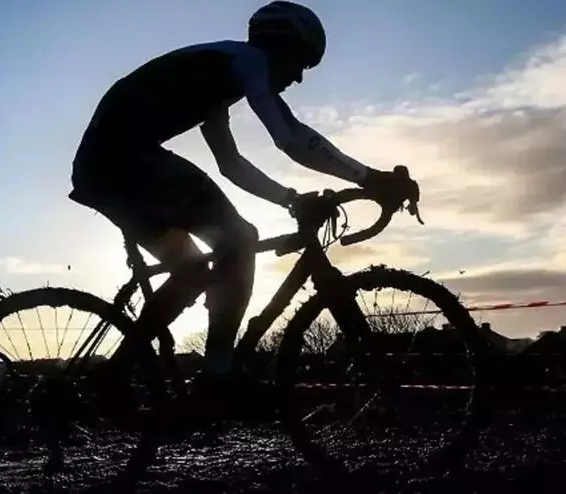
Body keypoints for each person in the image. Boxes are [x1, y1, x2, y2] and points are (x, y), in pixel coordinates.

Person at [68, 1, 414, 401]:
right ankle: (218, 375)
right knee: (238, 238)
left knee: (193, 272)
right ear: (281, 45)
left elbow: (230, 164)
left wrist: (290, 199)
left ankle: (114, 375)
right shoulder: (248, 60)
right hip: (122, 160)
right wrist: (369, 178)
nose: (299, 78)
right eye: (301, 63)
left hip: (103, 170)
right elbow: (289, 136)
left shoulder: (215, 81)